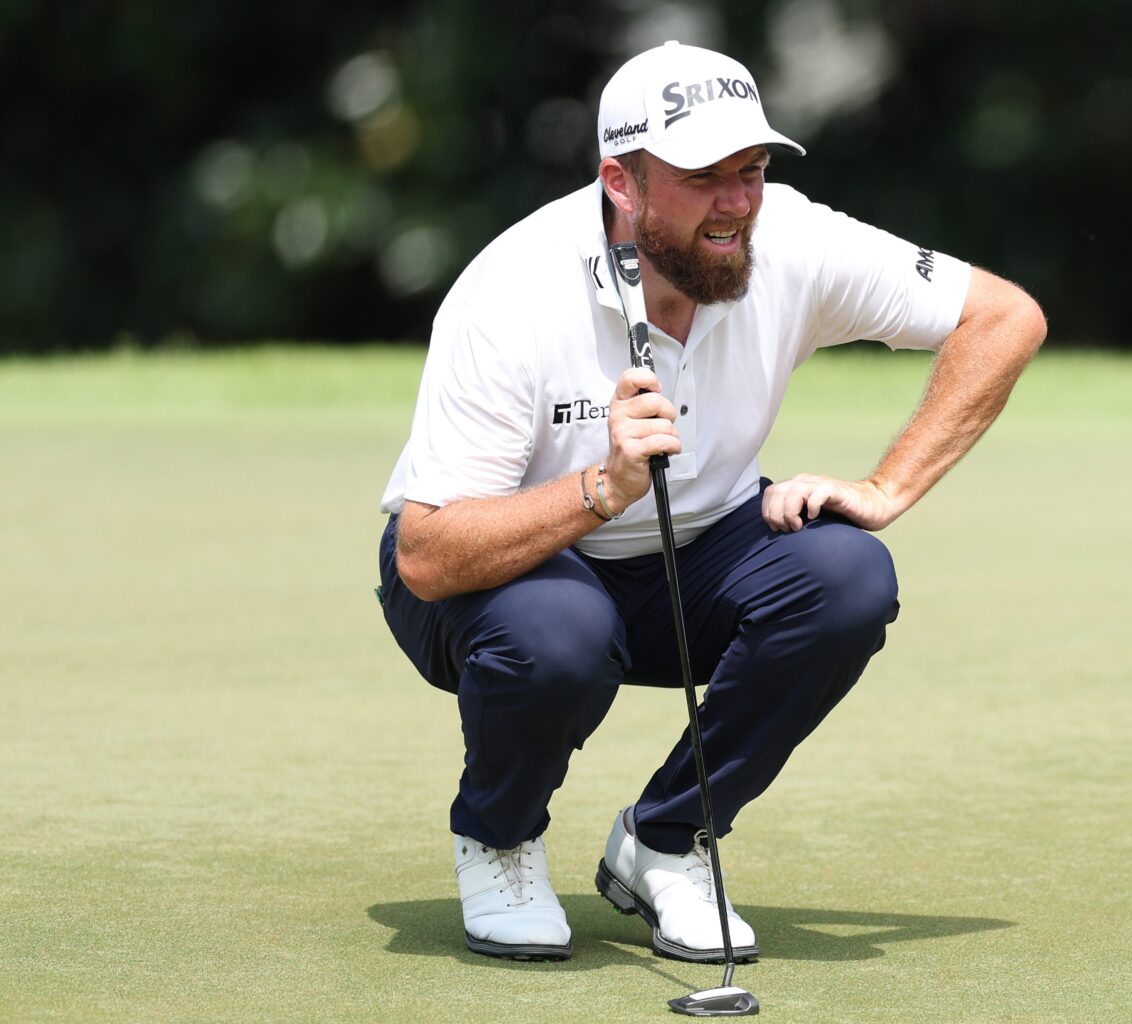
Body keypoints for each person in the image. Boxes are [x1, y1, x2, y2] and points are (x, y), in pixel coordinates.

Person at [374, 40, 1046, 963]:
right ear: (622, 182)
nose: (738, 203)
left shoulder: (791, 242)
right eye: (703, 177)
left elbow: (1005, 316)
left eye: (752, 170)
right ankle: (499, 841)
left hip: (696, 553)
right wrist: (601, 489)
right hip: (506, 571)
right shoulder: (511, 291)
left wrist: (887, 486)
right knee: (560, 632)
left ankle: (665, 842)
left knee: (846, 575)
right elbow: (427, 553)